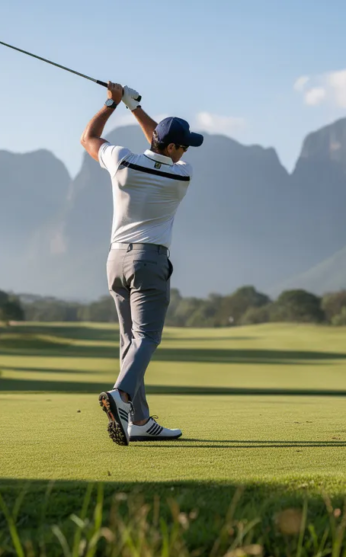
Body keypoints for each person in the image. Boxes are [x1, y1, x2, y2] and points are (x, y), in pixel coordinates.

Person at [80, 81, 203, 446]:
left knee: (128, 340)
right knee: (147, 337)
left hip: (115, 259)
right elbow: (162, 146)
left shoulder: (122, 161)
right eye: (182, 145)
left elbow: (89, 138)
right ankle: (121, 395)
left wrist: (113, 104)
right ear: (174, 148)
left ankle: (140, 421)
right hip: (149, 262)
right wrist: (136, 109)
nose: (185, 151)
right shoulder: (181, 175)